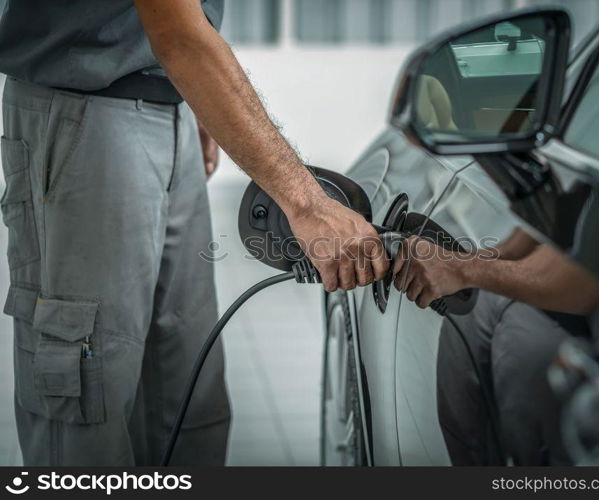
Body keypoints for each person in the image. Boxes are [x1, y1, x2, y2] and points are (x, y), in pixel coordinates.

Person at [0, 0, 388, 466]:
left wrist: (195, 96)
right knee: (88, 405)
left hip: (166, 101)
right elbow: (177, 31)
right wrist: (306, 203)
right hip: (86, 112)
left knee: (186, 396)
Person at [392, 230, 599, 464]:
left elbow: (597, 270)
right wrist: (463, 263)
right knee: (475, 315)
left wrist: (461, 269)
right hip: (555, 287)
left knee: (526, 353)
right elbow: (552, 225)